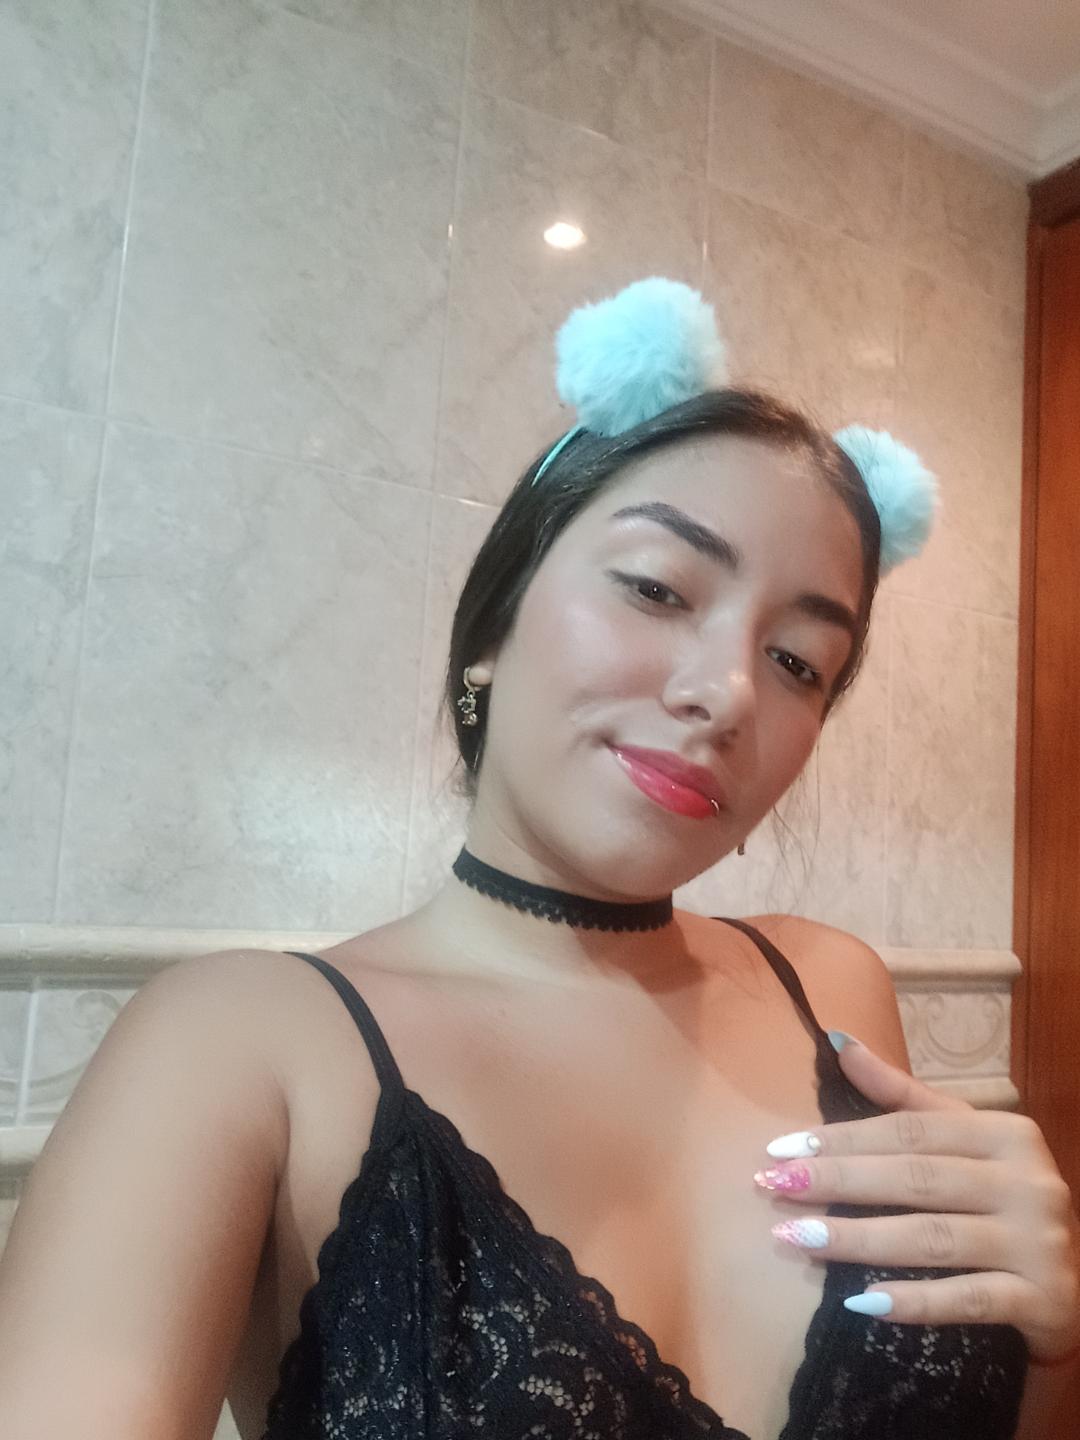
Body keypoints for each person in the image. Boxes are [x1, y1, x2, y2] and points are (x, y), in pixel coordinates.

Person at [0, 279, 1076, 1440]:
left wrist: (1051, 1339)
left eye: (799, 662)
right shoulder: (238, 1047)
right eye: (658, 588)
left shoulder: (835, 994)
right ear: (495, 623)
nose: (727, 693)